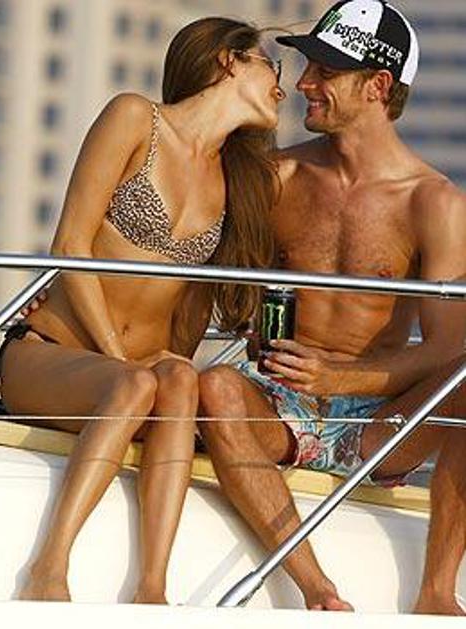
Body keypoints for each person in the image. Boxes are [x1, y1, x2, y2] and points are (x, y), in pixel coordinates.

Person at [0, 17, 285, 603]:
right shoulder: (134, 118)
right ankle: (49, 568)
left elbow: (190, 311)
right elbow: (71, 245)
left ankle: (152, 587)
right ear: (229, 60)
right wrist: (120, 360)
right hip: (52, 356)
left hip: (140, 376)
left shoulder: (239, 181)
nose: (281, 86)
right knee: (137, 384)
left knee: (179, 377)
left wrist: (167, 371)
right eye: (270, 65)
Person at [199, 0, 466, 615]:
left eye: (326, 71)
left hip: (376, 420)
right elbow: (199, 258)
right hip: (279, 401)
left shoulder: (434, 203)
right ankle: (316, 588)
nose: (303, 84)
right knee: (215, 386)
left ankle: (435, 591)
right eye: (308, 67)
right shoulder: (279, 175)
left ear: (378, 86)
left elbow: (447, 352)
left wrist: (339, 377)